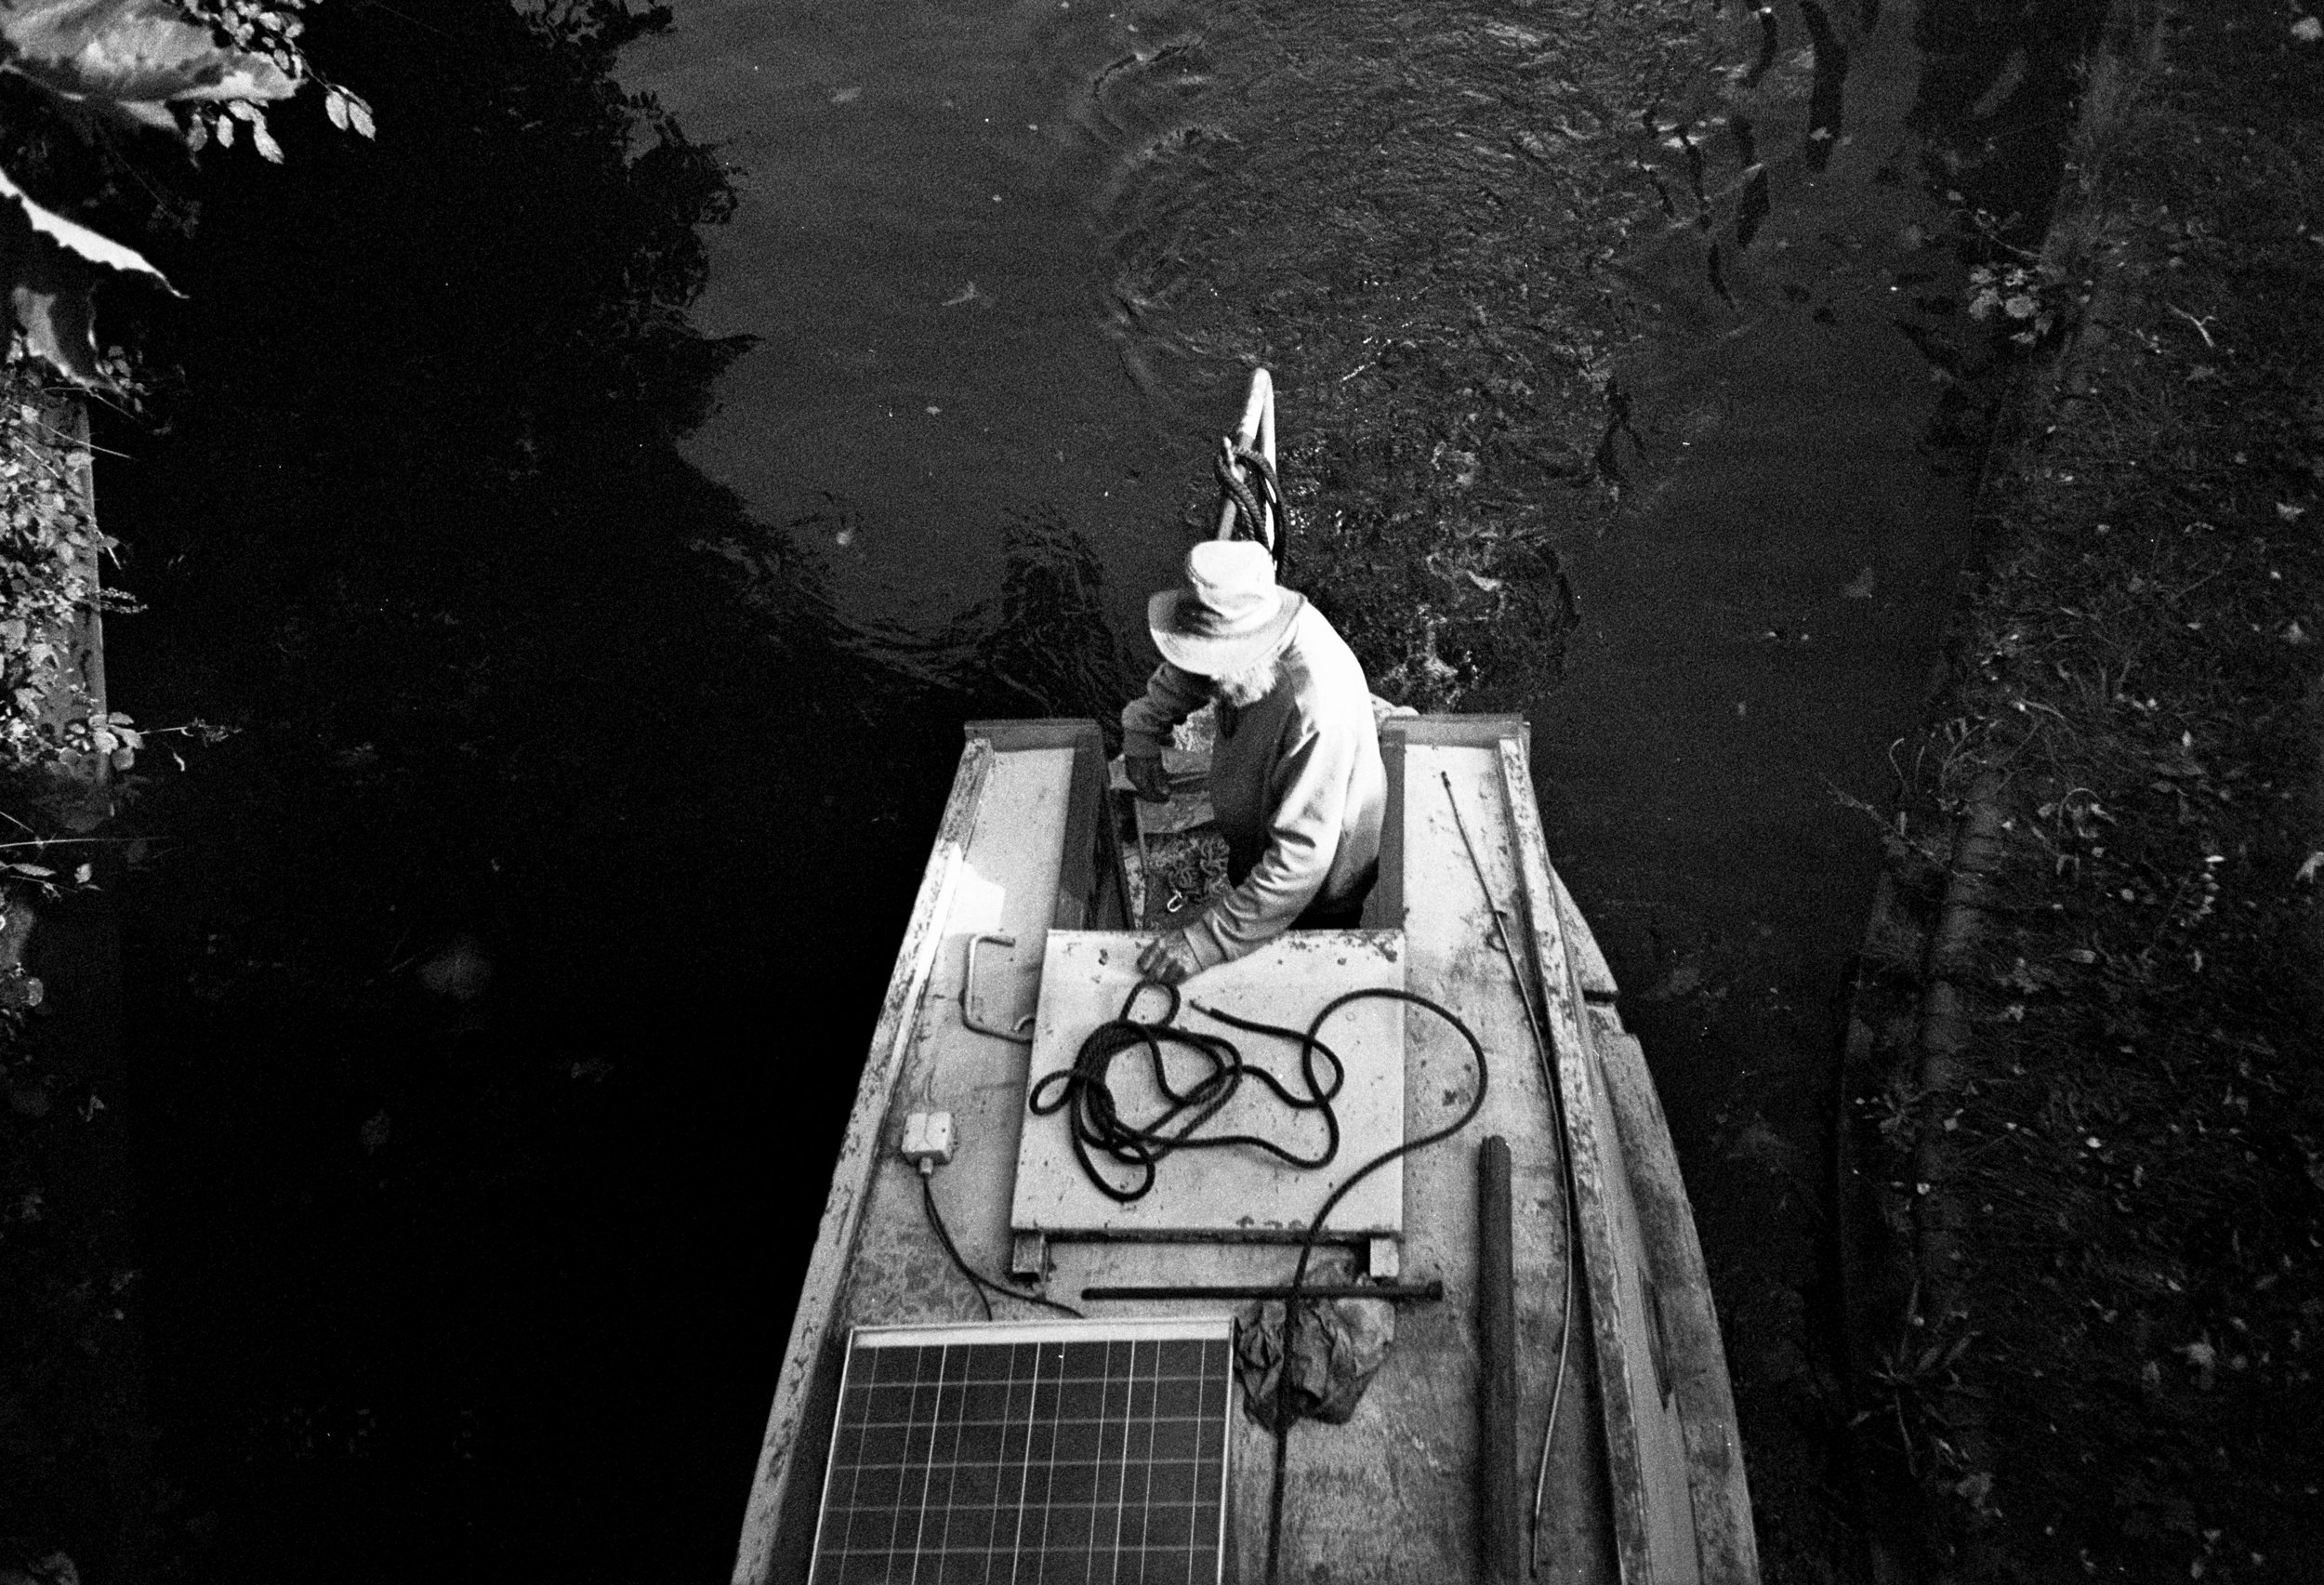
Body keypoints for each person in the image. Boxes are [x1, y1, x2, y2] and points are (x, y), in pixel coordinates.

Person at [1122, 539, 1389, 984]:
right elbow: (1193, 668)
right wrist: (1143, 729)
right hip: (1257, 832)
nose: (1203, 678)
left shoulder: (1318, 714)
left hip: (1317, 889)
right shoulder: (1254, 630)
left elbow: (1302, 859)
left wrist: (1204, 942)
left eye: (1215, 663)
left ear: (1256, 647)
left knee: (1292, 979)